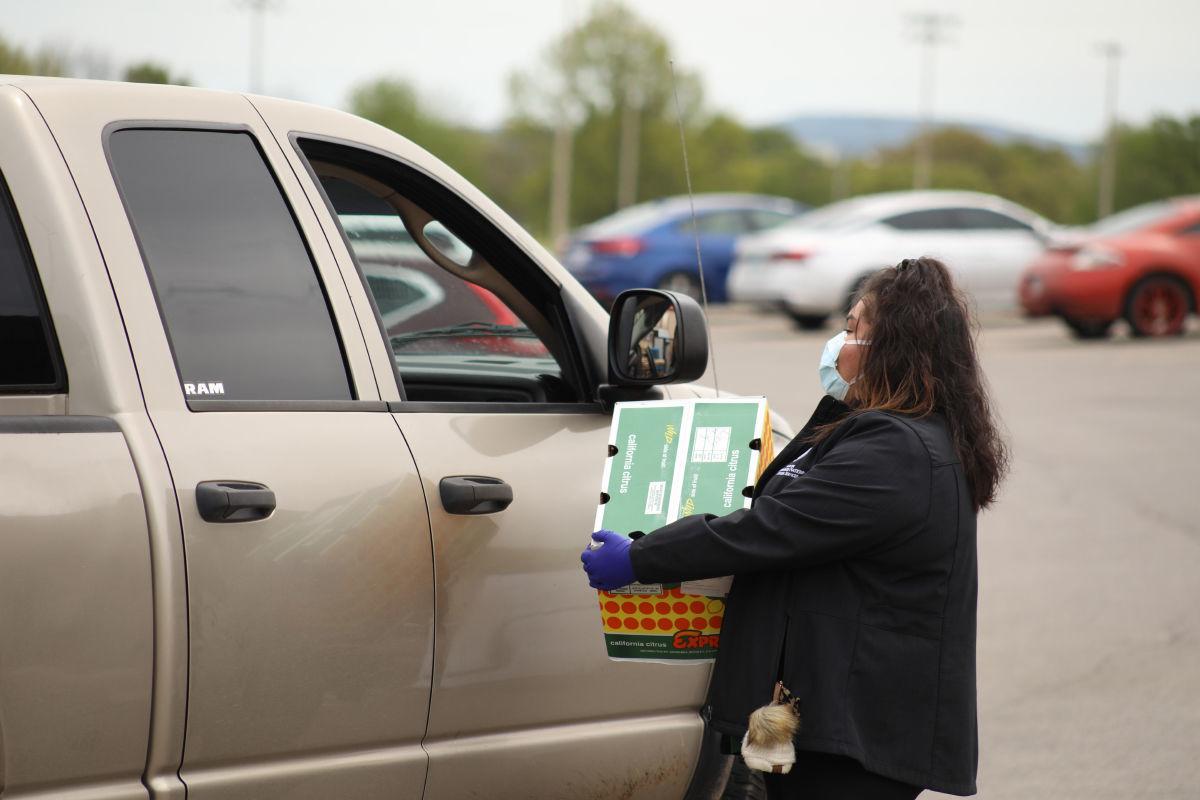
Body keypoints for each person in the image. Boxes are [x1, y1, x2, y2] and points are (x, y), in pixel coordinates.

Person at [581, 257, 1007, 799]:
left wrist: (641, 557)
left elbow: (771, 528)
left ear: (893, 349)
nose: (838, 344)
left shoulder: (896, 450)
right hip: (837, 717)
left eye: (852, 330)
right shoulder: (876, 432)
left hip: (860, 731)